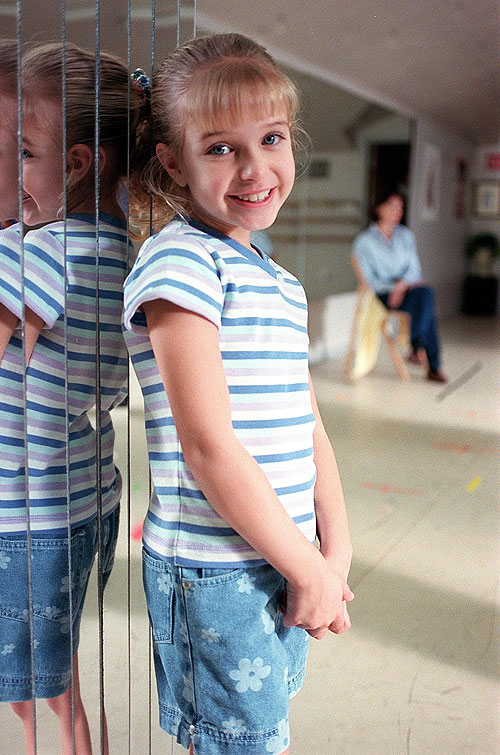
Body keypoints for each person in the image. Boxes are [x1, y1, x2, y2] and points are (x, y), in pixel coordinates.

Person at [123, 33, 353, 755]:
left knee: (256, 735)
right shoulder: (181, 261)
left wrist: (333, 550)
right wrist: (306, 565)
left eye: (272, 138)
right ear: (173, 161)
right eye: (221, 148)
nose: (256, 169)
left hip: (284, 553)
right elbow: (207, 442)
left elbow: (310, 423)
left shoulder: (277, 279)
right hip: (217, 567)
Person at [0, 41, 140, 755]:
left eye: (21, 152)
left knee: (36, 683)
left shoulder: (38, 251)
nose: (9, 171)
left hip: (23, 518)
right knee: (48, 682)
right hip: (81, 501)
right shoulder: (118, 247)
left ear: (80, 162)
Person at [352, 191, 447, 382]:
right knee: (426, 305)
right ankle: (431, 364)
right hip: (383, 294)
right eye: (393, 207)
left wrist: (401, 286)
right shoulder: (364, 242)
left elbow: (414, 270)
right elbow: (369, 281)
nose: (398, 212)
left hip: (406, 289)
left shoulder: (406, 236)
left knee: (425, 294)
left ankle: (416, 342)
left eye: (401, 208)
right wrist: (393, 287)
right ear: (379, 208)